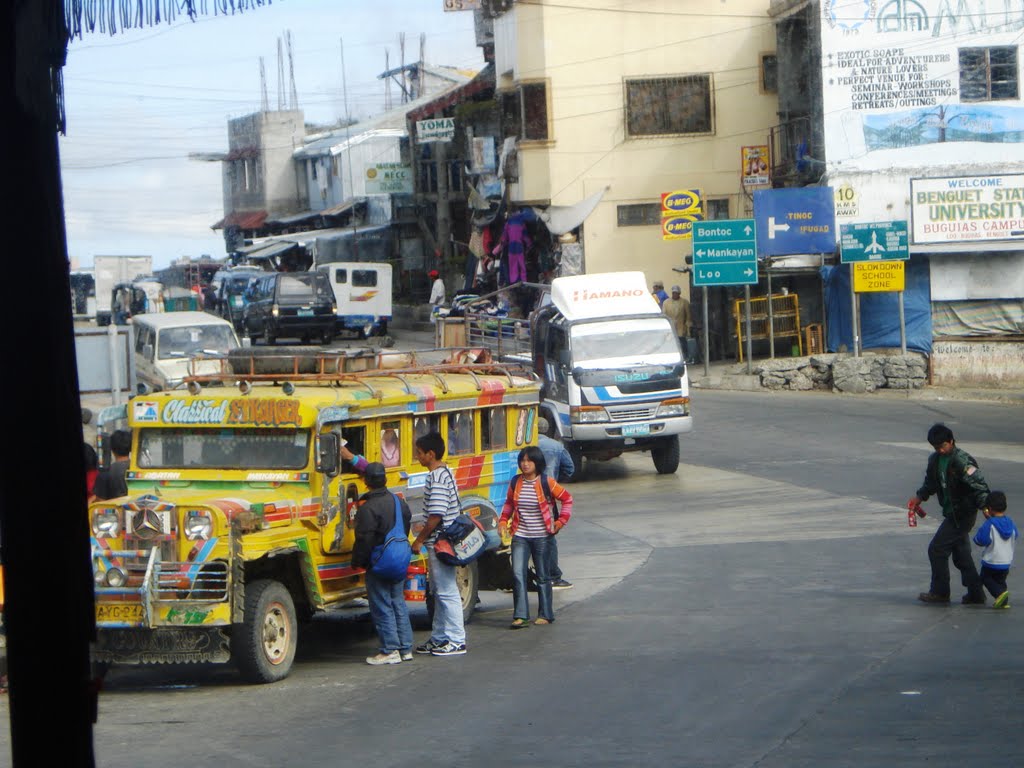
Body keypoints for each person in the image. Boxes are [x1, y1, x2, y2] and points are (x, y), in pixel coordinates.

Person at [908, 423, 990, 605]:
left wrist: (986, 507)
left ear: (951, 441)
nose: (941, 450)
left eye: (943, 446)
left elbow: (979, 486)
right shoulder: (935, 460)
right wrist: (919, 497)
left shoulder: (962, 460)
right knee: (961, 555)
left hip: (962, 514)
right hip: (950, 512)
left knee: (937, 549)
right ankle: (976, 594)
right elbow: (930, 483)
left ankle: (940, 592)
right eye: (937, 448)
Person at [499, 445, 573, 628]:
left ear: (537, 463)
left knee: (542, 576)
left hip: (542, 536)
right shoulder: (516, 482)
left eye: (529, 461)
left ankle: (546, 614)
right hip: (520, 536)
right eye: (522, 461)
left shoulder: (546, 482)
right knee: (517, 574)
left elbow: (567, 499)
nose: (525, 464)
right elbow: (509, 504)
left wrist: (561, 521)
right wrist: (503, 521)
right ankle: (521, 616)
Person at [351, 462, 415, 665]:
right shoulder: (399, 502)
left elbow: (365, 540)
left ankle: (390, 650)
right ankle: (406, 649)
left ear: (366, 482)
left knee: (381, 605)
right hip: (399, 560)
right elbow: (405, 527)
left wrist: (359, 563)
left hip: (380, 563)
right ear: (385, 480)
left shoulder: (368, 508)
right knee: (398, 602)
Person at [410, 433, 467, 657]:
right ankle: (440, 637)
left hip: (440, 542)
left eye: (419, 453)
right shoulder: (446, 473)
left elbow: (436, 515)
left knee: (446, 592)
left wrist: (420, 539)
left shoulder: (437, 478)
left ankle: (455, 639)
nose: (417, 457)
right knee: (439, 591)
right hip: (442, 541)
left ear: (430, 454)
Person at [536, 416, 575, 590]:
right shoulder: (556, 446)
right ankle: (553, 576)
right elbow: (570, 469)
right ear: (547, 429)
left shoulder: (522, 447)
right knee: (549, 537)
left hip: (523, 495)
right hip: (548, 497)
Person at [972, 491, 1017, 609]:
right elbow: (1015, 535)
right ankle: (1004, 600)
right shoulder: (1010, 522)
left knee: (985, 577)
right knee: (1000, 580)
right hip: (1006, 561)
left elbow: (980, 540)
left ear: (989, 508)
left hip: (992, 560)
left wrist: (987, 520)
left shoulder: (990, 524)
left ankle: (999, 595)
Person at [94, 429, 131, 501]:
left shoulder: (105, 473)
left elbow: (100, 503)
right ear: (130, 448)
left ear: (111, 448)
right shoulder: (139, 470)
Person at [662, 285, 693, 360]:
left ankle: (685, 357)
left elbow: (688, 315)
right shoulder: (666, 302)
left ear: (679, 293)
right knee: (671, 343)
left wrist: (688, 326)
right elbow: (664, 315)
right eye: (673, 293)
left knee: (682, 343)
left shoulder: (684, 302)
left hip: (681, 326)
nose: (674, 294)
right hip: (671, 327)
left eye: (676, 293)